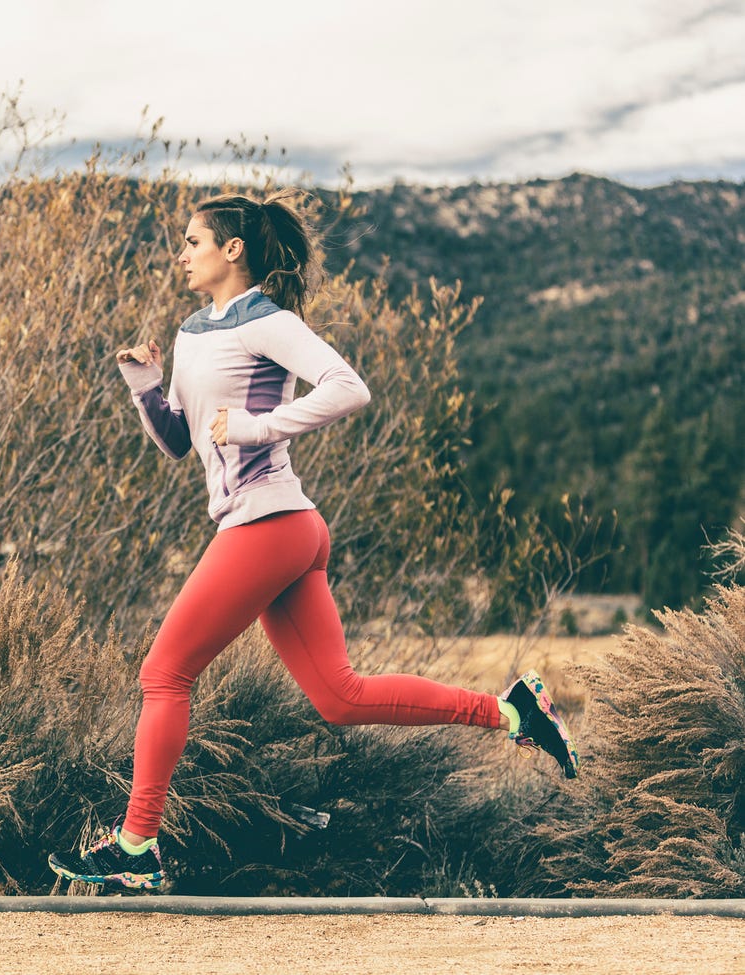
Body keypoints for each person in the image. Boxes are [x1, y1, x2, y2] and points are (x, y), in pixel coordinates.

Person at [48, 191, 579, 892]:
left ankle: (137, 843)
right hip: (278, 529)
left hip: (268, 524)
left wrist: (259, 426)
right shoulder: (189, 332)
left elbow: (348, 387)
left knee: (163, 673)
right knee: (341, 696)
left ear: (232, 250)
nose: (181, 254)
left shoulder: (264, 320)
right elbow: (180, 441)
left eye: (193, 241)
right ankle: (514, 710)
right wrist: (144, 383)